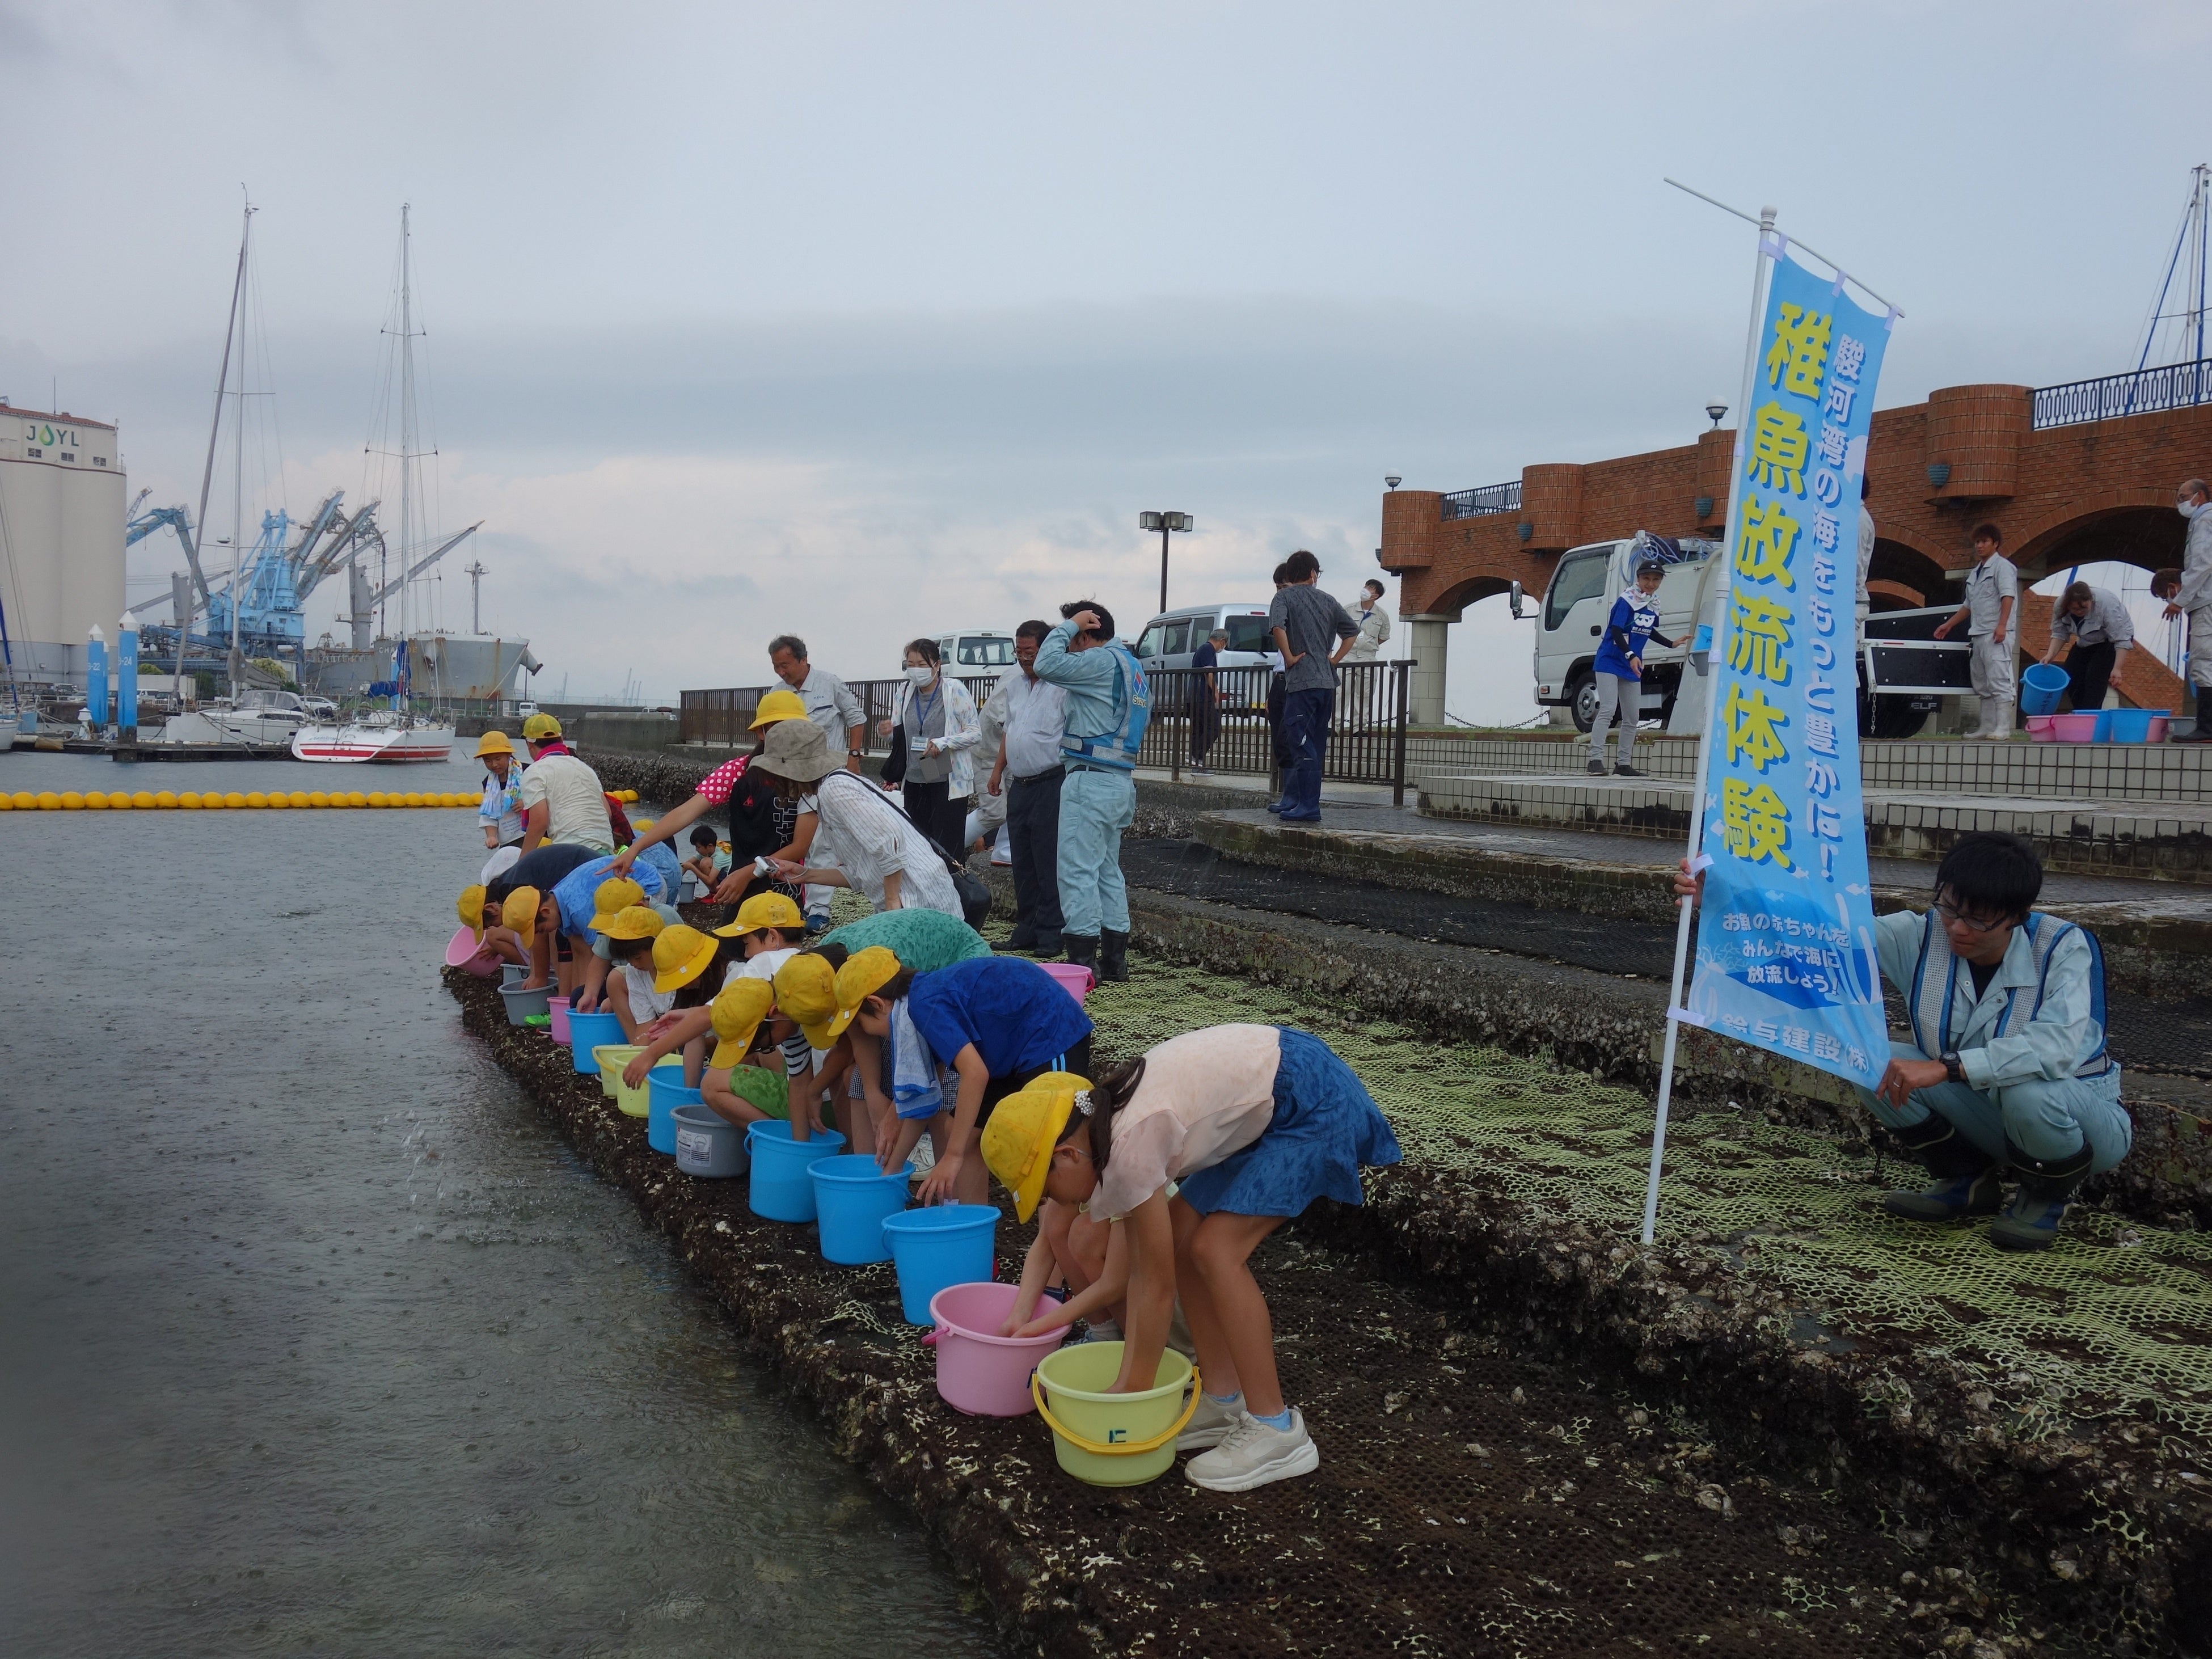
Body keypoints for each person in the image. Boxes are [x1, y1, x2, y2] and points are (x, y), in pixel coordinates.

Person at [978, 1025, 1403, 1492]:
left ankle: (1277, 1429)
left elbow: (1155, 1288)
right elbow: (1144, 1270)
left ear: (1067, 1155)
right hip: (1273, 1100)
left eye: (1045, 1189)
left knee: (1216, 1251)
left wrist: (1133, 1390)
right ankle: (1222, 1400)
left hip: (1310, 1099)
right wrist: (1130, 1380)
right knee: (1183, 1239)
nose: (1052, 1202)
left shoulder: (1129, 1150)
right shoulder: (1106, 1129)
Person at [1671, 832, 2125, 1251]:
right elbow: (1821, 930)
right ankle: (1966, 1181)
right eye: (1950, 907)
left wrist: (1948, 1067)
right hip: (1991, 1112)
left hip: (2080, 1120)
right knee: (1870, 1058)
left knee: (2028, 1088)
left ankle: (2046, 1196)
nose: (1958, 928)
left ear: (2017, 917)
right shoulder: (1923, 933)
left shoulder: (2064, 947)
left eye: (1978, 918)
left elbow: (2056, 1050)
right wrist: (1724, 897)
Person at [838, 946, 1095, 1204]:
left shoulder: (924, 1005)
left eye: (861, 1024)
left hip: (1052, 1035)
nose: (867, 1033)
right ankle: (970, 1223)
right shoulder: (917, 1005)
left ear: (877, 1003)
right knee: (963, 1133)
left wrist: (952, 1156)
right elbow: (924, 1098)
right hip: (1010, 1051)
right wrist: (891, 1171)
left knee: (1051, 1144)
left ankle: (1061, 1225)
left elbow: (975, 1074)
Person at [607, 688, 810, 906]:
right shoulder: (739, 771)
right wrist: (636, 849)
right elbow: (685, 812)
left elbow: (800, 846)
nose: (789, 736)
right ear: (761, 732)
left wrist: (749, 873)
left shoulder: (809, 775)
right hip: (738, 887)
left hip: (785, 888)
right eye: (779, 728)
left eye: (795, 728)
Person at [1033, 600, 1146, 979]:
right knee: (1106, 869)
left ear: (1085, 633)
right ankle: (1115, 960)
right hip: (1119, 780)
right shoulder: (1132, 666)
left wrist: (1066, 627)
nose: (1067, 643)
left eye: (1072, 635)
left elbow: (1045, 664)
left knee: (1077, 868)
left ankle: (1082, 960)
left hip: (1090, 777)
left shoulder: (1098, 661)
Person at [754, 718, 964, 917]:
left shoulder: (833, 790)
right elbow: (862, 872)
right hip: (918, 900)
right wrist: (805, 874)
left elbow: (890, 839)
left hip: (917, 901)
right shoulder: (838, 785)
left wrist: (892, 904)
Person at [990, 619, 1069, 955]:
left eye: (1030, 652)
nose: (1023, 658)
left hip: (1051, 781)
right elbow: (1010, 730)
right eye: (1019, 652)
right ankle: (1027, 928)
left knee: (1047, 860)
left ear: (1046, 650)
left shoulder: (1063, 686)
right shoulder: (1016, 685)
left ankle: (1052, 933)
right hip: (1019, 783)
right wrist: (997, 771)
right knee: (1021, 860)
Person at [1267, 550, 1360, 824]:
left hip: (1301, 682)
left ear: (1291, 575)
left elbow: (1277, 627)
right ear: (1312, 574)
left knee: (1299, 741)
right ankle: (1297, 800)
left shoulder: (1283, 597)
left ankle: (1307, 805)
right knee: (1316, 742)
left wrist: (1289, 657)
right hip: (1327, 683)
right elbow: (1351, 632)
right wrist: (1334, 660)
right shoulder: (1328, 600)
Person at [883, 638, 981, 862]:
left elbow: (975, 733)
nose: (915, 670)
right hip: (916, 780)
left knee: (947, 850)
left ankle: (954, 893)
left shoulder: (954, 690)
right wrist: (886, 732)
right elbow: (898, 738)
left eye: (921, 664)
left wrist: (943, 742)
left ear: (937, 665)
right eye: (910, 664)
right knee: (919, 848)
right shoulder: (904, 691)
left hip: (948, 782)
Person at [1587, 559, 1674, 778]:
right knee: (1608, 708)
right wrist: (1631, 654)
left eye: (1656, 579)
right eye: (1646, 578)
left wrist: (1672, 644)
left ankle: (1623, 764)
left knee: (1632, 716)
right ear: (1638, 578)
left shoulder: (1653, 603)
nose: (1651, 584)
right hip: (1610, 660)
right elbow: (1616, 630)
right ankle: (1595, 760)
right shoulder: (1627, 601)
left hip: (1632, 665)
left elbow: (1648, 630)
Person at [1933, 524, 2019, 739]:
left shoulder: (2003, 567)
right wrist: (1950, 624)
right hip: (1978, 633)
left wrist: (2002, 625)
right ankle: (1987, 727)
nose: (1980, 546)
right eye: (1977, 542)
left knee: (1999, 678)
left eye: (1984, 542)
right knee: (1982, 682)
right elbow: (1969, 605)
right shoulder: (1975, 573)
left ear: (1995, 543)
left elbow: (2008, 596)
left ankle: (2003, 728)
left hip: (1996, 632)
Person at [767, 634, 868, 775]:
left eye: (785, 666)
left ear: (803, 660)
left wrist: (853, 758)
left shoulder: (831, 683)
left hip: (830, 770)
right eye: (776, 666)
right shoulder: (776, 693)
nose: (780, 672)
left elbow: (856, 719)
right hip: (791, 773)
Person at [516, 712, 616, 852]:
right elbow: (607, 812)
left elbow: (539, 822)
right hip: (605, 849)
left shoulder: (535, 772)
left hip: (571, 852)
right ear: (562, 739)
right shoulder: (584, 768)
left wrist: (522, 864)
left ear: (529, 744)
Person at [2160, 476, 2212, 742]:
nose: (2181, 503)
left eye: (2183, 497)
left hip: (2207, 603)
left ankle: (2207, 727)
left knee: (2203, 662)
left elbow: (2202, 564)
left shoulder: (2204, 520)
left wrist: (2179, 601)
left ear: (2199, 496)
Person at [2040, 580, 2134, 714]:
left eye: (2083, 608)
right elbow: (2060, 632)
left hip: (2112, 641)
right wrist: (2050, 655)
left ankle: (2091, 716)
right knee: (2070, 674)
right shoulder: (2059, 606)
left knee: (2095, 677)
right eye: (2074, 609)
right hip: (2087, 640)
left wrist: (2117, 669)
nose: (2079, 612)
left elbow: (2122, 639)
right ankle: (2081, 713)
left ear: (2091, 601)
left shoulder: (2106, 604)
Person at [475, 730, 525, 852]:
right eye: (488, 761)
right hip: (508, 842)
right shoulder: (488, 783)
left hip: (532, 836)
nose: (494, 765)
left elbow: (545, 798)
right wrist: (491, 837)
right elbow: (489, 814)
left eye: (498, 759)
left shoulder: (527, 771)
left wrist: (526, 803)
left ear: (509, 755)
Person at [1188, 627, 1225, 772]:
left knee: (1199, 729)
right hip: (1203, 697)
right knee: (1214, 727)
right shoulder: (1209, 649)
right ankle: (1198, 758)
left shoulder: (1201, 649)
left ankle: (1196, 762)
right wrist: (1216, 691)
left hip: (1193, 696)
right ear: (1222, 641)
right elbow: (1209, 672)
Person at [680, 823, 729, 901]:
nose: (696, 850)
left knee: (705, 862)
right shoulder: (707, 850)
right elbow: (687, 863)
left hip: (728, 879)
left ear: (709, 846)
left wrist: (692, 868)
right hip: (720, 878)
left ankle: (717, 893)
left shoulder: (720, 855)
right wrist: (677, 880)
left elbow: (710, 881)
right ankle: (714, 891)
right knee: (696, 862)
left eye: (698, 847)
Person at [1345, 580, 1391, 662]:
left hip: (1368, 658)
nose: (1365, 589)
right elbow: (1336, 628)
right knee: (1342, 676)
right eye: (1365, 586)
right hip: (1348, 655)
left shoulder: (1382, 615)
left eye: (1370, 588)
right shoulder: (1348, 609)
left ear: (1376, 596)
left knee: (1368, 676)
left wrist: (1368, 644)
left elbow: (1384, 636)